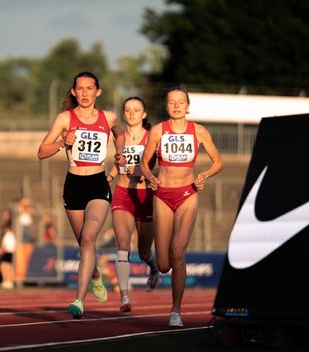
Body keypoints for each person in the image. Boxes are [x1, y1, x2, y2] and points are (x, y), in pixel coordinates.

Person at [37, 71, 126, 319]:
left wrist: (119, 151)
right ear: (73, 92)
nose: (85, 93)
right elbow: (41, 152)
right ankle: (96, 275)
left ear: (98, 91)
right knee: (83, 242)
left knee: (88, 238)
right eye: (80, 89)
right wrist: (62, 142)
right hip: (73, 185)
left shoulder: (108, 117)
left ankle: (79, 300)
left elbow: (120, 134)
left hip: (98, 183)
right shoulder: (65, 118)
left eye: (90, 88)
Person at [140, 87, 223, 327]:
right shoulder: (157, 131)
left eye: (181, 102)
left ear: (188, 106)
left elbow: (219, 161)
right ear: (166, 107)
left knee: (178, 252)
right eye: (171, 102)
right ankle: (156, 266)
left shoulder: (199, 131)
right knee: (165, 264)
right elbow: (144, 163)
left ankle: (175, 310)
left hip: (187, 194)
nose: (176, 106)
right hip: (162, 195)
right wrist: (150, 176)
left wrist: (204, 175)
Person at [106, 96, 159, 313]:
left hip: (145, 196)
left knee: (144, 252)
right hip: (123, 194)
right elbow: (117, 164)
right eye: (128, 110)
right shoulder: (119, 137)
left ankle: (153, 268)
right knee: (122, 246)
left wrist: (143, 173)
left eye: (136, 110)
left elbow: (160, 169)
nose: (131, 113)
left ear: (144, 114)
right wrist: (108, 178)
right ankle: (124, 296)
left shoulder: (152, 137)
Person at [0, 222, 16, 289]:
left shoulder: (7, 235)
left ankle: (6, 280)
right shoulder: (13, 235)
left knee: (4, 266)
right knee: (9, 266)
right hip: (11, 252)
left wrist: (0, 251)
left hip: (7, 252)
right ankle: (10, 281)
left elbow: (4, 246)